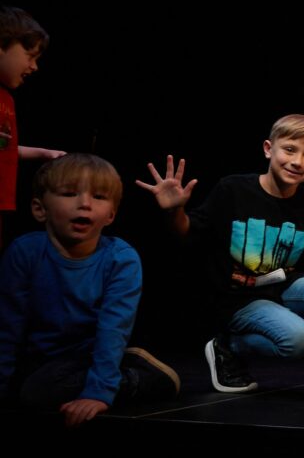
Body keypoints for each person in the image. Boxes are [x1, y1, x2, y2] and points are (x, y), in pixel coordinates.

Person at [137, 114, 304, 411]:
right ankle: (228, 347)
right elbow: (188, 234)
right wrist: (174, 212)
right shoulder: (233, 190)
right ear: (268, 149)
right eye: (289, 150)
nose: (297, 161)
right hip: (237, 299)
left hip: (283, 288)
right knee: (301, 339)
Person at [0, 154, 180, 426]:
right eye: (69, 194)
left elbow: (113, 328)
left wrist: (98, 393)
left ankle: (134, 376)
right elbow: (7, 327)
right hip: (39, 357)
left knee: (37, 393)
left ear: (111, 214)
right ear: (40, 209)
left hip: (89, 352)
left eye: (98, 197)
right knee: (24, 389)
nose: (84, 204)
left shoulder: (120, 258)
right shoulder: (24, 252)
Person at [0, 7, 66, 248]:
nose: (34, 66)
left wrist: (43, 154)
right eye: (30, 55)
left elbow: (4, 147)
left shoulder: (6, 99)